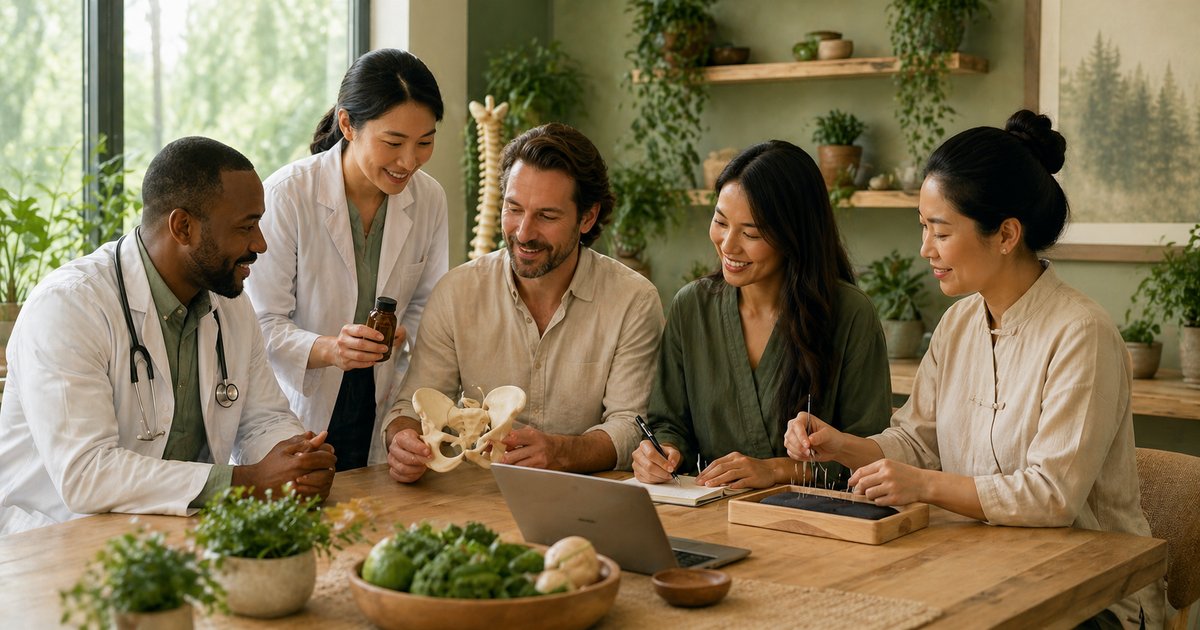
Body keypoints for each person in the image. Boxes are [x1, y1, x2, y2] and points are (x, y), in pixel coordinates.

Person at [783, 111, 1165, 629]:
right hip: (978, 567)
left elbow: (1051, 497)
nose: (925, 249)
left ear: (1006, 234)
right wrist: (841, 446)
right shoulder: (957, 323)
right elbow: (918, 442)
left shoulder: (1082, 333)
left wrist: (923, 485)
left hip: (1089, 596)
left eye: (940, 231)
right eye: (923, 227)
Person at [0, 137, 336, 535]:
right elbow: (87, 473)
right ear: (183, 227)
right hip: (54, 538)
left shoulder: (229, 303)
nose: (259, 243)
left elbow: (263, 420)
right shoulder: (69, 307)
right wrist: (246, 482)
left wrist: (297, 461)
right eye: (246, 226)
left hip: (175, 535)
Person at [381, 123, 664, 483]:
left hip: (584, 499)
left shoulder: (633, 301)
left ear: (587, 217)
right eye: (513, 209)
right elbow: (412, 406)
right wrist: (402, 440)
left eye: (547, 216)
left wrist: (561, 452)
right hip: (473, 498)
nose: (524, 232)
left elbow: (630, 427)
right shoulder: (456, 293)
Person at [631, 140, 892, 490]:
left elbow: (872, 455)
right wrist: (663, 452)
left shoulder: (851, 314)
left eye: (750, 233)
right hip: (710, 510)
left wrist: (776, 470)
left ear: (794, 235)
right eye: (720, 221)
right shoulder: (691, 307)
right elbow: (669, 424)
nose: (728, 245)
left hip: (815, 517)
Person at [245, 49, 449, 470]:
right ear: (347, 125)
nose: (409, 161)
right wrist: (330, 349)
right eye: (393, 142)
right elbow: (259, 323)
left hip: (381, 397)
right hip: (300, 400)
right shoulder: (288, 195)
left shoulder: (429, 198)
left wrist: (405, 331)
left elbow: (428, 303)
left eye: (425, 142)